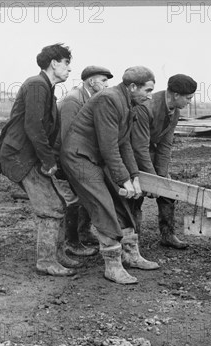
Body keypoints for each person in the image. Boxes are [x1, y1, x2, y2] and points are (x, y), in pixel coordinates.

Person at [60, 66, 160, 285]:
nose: (150, 96)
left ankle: (130, 254)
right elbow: (109, 148)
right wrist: (124, 179)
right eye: (148, 90)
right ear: (133, 87)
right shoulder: (109, 99)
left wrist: (134, 176)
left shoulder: (130, 103)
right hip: (79, 157)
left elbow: (124, 143)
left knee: (121, 200)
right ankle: (112, 266)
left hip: (95, 157)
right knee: (103, 203)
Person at [0, 43, 76, 277]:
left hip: (27, 155)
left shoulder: (46, 87)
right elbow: (34, 126)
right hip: (20, 156)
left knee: (58, 203)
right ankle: (46, 261)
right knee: (50, 206)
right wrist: (48, 161)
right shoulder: (38, 85)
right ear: (54, 63)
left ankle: (57, 255)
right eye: (67, 63)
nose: (70, 69)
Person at [130, 73, 197, 249]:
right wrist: (152, 180)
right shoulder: (147, 107)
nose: (189, 102)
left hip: (148, 151)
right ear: (176, 95)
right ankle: (132, 242)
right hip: (131, 154)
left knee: (167, 192)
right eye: (188, 98)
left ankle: (168, 235)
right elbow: (139, 147)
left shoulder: (174, 112)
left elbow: (165, 146)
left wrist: (160, 178)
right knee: (134, 198)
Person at [57, 65, 113, 258]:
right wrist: (66, 168)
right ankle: (71, 242)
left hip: (76, 155)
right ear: (91, 82)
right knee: (70, 199)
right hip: (63, 157)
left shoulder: (90, 98)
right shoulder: (73, 100)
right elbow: (66, 137)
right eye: (104, 81)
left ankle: (83, 232)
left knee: (85, 193)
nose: (107, 85)